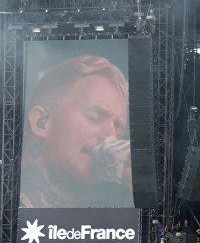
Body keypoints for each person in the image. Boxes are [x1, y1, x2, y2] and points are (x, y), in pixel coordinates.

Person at [19, 55, 133, 208]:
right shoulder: (13, 202)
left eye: (118, 127)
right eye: (94, 116)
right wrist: (109, 189)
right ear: (42, 122)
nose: (111, 137)